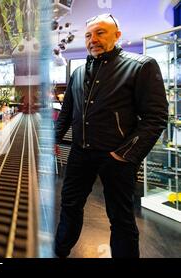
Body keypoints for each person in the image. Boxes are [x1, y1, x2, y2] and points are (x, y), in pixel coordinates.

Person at [54, 14, 168, 258]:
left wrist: (124, 155)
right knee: (69, 207)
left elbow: (156, 118)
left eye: (100, 33)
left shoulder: (141, 66)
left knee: (121, 217)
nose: (92, 39)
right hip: (79, 153)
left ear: (117, 35)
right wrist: (53, 140)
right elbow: (66, 113)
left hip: (116, 157)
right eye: (88, 35)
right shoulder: (77, 72)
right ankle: (60, 251)